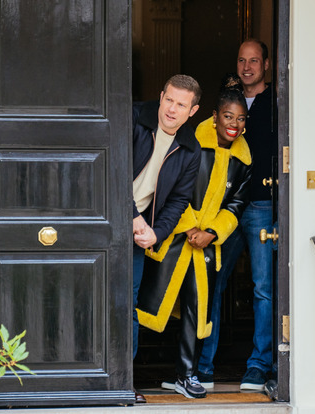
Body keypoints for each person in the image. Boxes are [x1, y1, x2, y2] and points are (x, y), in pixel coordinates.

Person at [137, 79, 252, 399]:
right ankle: (128, 372)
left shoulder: (243, 161)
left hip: (205, 246)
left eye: (241, 119)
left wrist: (212, 232)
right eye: (228, 116)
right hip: (172, 236)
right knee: (145, 301)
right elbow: (172, 186)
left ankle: (186, 374)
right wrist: (188, 227)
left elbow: (236, 204)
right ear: (214, 116)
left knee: (195, 307)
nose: (234, 125)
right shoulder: (190, 141)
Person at [197, 39, 278, 392]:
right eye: (242, 61)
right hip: (222, 210)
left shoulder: (278, 101)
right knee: (212, 285)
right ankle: (202, 367)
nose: (248, 67)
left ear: (267, 64)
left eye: (254, 61)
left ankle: (259, 366)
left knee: (263, 289)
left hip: (261, 205)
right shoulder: (222, 105)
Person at [132, 74, 202, 403]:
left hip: (139, 231)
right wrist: (133, 216)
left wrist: (156, 233)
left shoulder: (190, 148)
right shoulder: (133, 119)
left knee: (126, 305)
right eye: (169, 100)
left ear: (193, 111)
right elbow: (111, 170)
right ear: (160, 97)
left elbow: (178, 201)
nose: (172, 109)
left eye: (182, 105)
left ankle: (121, 378)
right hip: (106, 219)